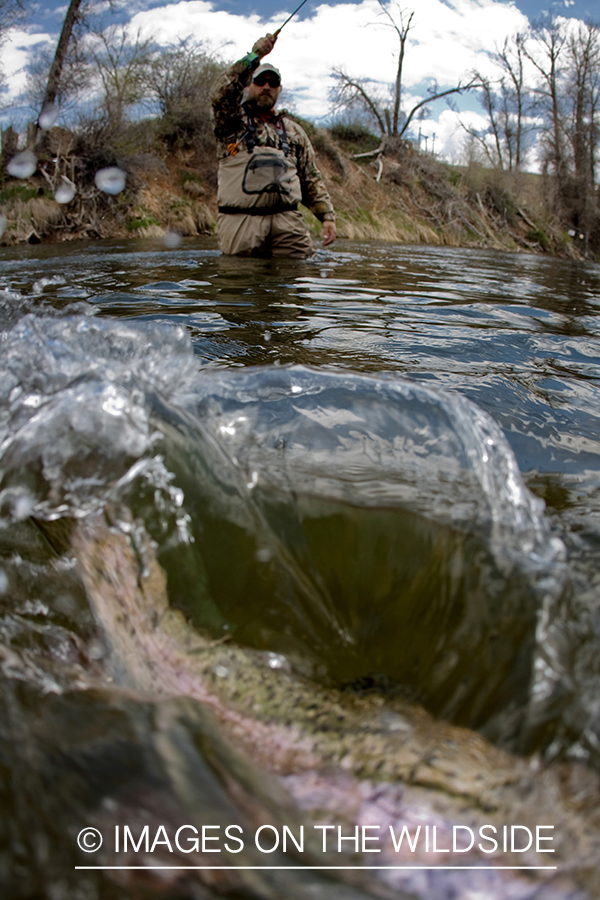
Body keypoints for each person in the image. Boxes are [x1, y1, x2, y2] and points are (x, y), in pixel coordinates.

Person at [210, 33, 336, 258]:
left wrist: (326, 217)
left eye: (273, 82)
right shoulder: (231, 122)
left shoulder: (295, 131)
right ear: (249, 85)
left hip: (288, 223)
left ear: (280, 89)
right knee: (237, 284)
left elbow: (310, 178)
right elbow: (220, 94)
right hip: (240, 221)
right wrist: (254, 55)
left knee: (301, 279)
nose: (266, 86)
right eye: (260, 81)